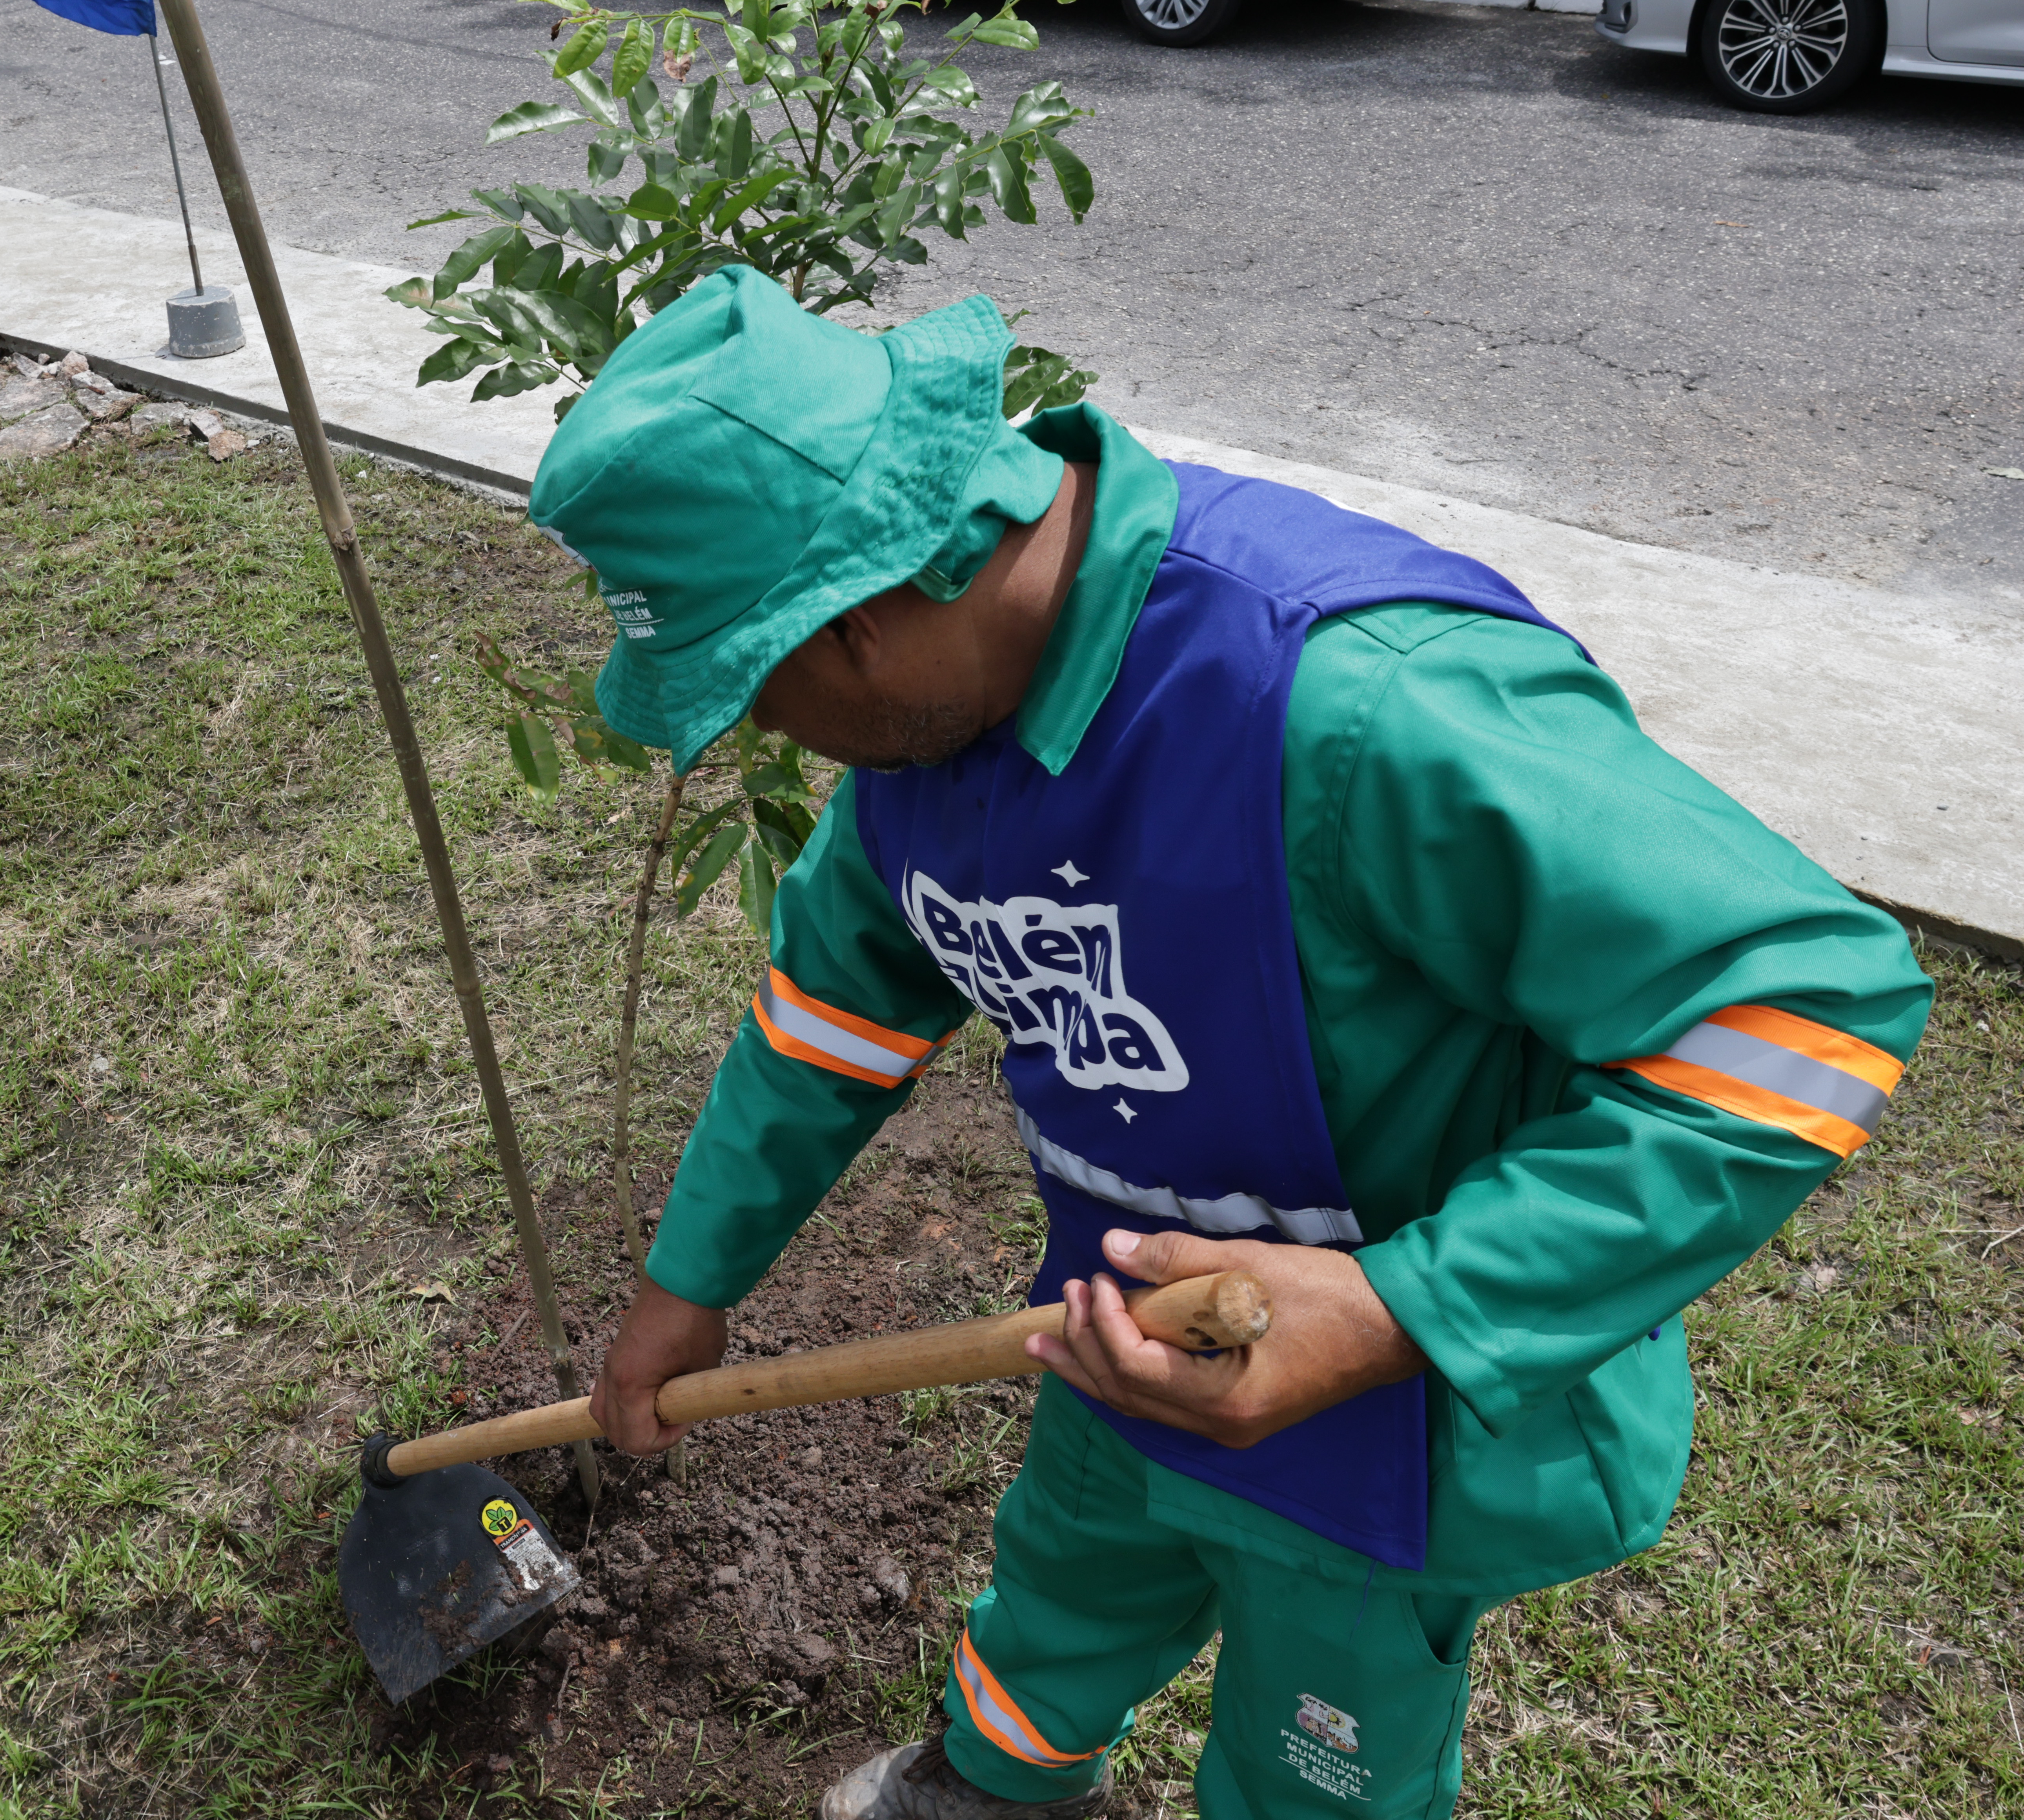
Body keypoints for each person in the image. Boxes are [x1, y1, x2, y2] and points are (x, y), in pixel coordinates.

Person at [547, 268, 1930, 1820]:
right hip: (1122, 1328)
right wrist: (689, 1286)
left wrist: (1407, 1303)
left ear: (862, 612)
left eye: (760, 693)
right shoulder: (925, 756)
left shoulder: (1351, 703)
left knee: (1319, 1754)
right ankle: (995, 1779)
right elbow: (826, 1017)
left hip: (1386, 1433)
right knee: (1063, 1586)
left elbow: (1804, 998)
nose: (773, 738)